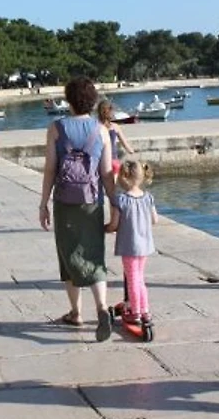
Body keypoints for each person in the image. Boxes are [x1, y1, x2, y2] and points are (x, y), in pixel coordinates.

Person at [38, 76, 116, 341]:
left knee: (68, 255)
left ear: (69, 100)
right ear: (93, 101)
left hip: (64, 201)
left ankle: (76, 312)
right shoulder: (101, 130)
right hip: (92, 201)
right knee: (94, 255)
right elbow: (107, 174)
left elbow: (50, 169)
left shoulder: (56, 128)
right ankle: (102, 307)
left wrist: (43, 203)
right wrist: (115, 205)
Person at [106, 160, 159, 328]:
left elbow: (114, 224)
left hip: (129, 246)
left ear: (124, 177)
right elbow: (155, 220)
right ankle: (145, 310)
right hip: (144, 245)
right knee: (140, 278)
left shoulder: (121, 200)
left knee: (132, 279)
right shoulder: (148, 198)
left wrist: (105, 228)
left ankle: (135, 312)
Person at [97, 100, 135, 177]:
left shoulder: (95, 127)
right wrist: (132, 151)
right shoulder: (115, 127)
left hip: (100, 161)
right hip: (113, 161)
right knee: (113, 183)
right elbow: (127, 146)